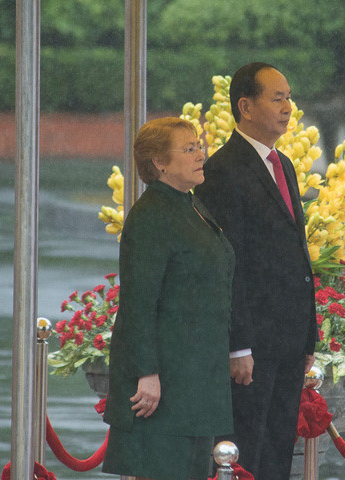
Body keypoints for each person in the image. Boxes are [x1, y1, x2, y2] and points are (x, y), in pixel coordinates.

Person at [194, 62, 317, 480]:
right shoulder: (223, 170)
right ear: (245, 106)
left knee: (279, 447)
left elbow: (297, 254)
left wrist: (309, 333)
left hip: (288, 337)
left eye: (288, 97)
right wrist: (238, 345)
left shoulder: (283, 163)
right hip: (253, 344)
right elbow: (230, 263)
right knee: (246, 446)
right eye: (277, 98)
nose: (288, 107)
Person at [102, 117, 235, 480]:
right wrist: (147, 373)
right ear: (159, 162)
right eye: (189, 148)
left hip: (194, 379)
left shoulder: (190, 205)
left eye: (199, 145)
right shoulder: (151, 217)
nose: (200, 154)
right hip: (162, 386)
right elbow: (138, 303)